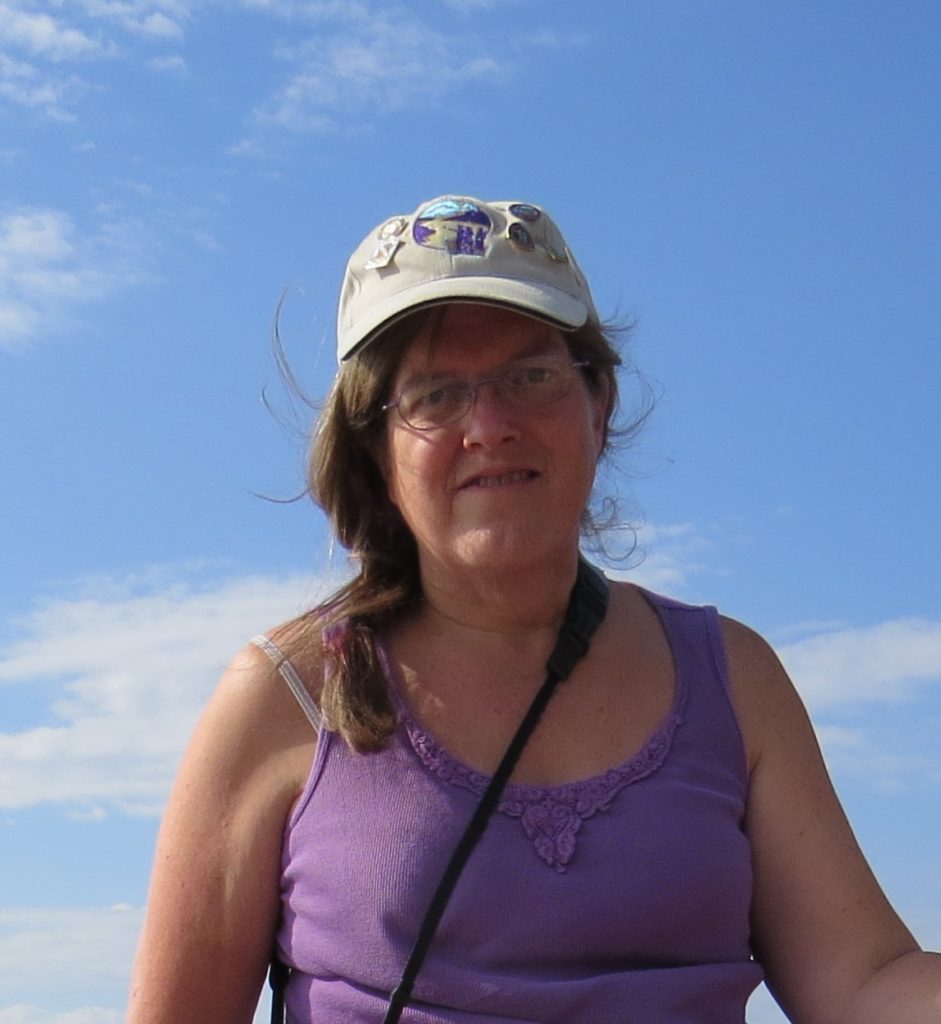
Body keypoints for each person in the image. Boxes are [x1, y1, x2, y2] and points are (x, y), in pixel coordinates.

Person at [127, 195, 941, 1024]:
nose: (489, 425)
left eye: (531, 377)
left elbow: (862, 981)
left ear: (598, 405)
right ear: (374, 449)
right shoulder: (283, 695)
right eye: (434, 395)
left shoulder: (734, 678)